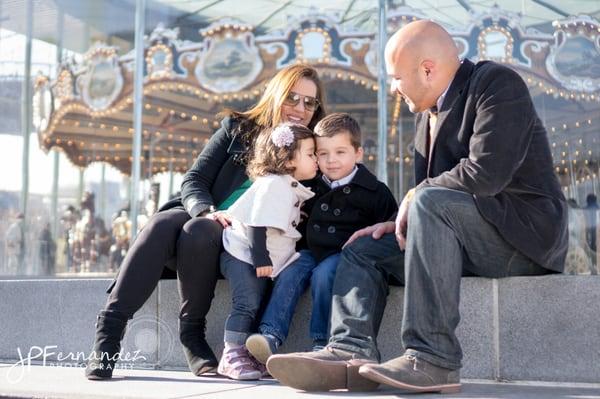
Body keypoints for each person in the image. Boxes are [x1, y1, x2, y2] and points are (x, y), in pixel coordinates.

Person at [266, 20, 568, 394]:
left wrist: (418, 196)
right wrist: (394, 222)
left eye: (396, 77)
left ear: (427, 69)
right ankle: (348, 351)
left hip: (520, 240)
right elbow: (429, 199)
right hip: (461, 237)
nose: (393, 88)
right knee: (362, 249)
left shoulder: (497, 84)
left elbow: (486, 174)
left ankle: (433, 359)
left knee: (425, 198)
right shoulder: (425, 115)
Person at [84, 64, 326, 380]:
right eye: (292, 97)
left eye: (310, 102)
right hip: (203, 217)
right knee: (165, 224)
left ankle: (192, 334)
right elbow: (195, 179)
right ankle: (107, 338)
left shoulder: (312, 152)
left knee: (198, 231)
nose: (301, 108)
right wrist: (206, 209)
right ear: (275, 95)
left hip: (240, 243)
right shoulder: (237, 129)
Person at [244, 113, 397, 364]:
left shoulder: (375, 191)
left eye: (340, 152)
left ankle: (322, 341)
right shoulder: (309, 185)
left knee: (324, 275)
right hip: (310, 249)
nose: (331, 160)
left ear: (358, 154)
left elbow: (387, 223)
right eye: (322, 153)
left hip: (345, 255)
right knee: (290, 272)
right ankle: (270, 333)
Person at [217, 123, 318, 380]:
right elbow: (256, 221)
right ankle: (231, 354)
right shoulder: (274, 184)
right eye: (310, 153)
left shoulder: (284, 184)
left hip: (257, 255)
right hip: (243, 253)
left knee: (256, 301)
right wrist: (261, 258)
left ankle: (247, 355)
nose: (316, 159)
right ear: (288, 158)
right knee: (247, 302)